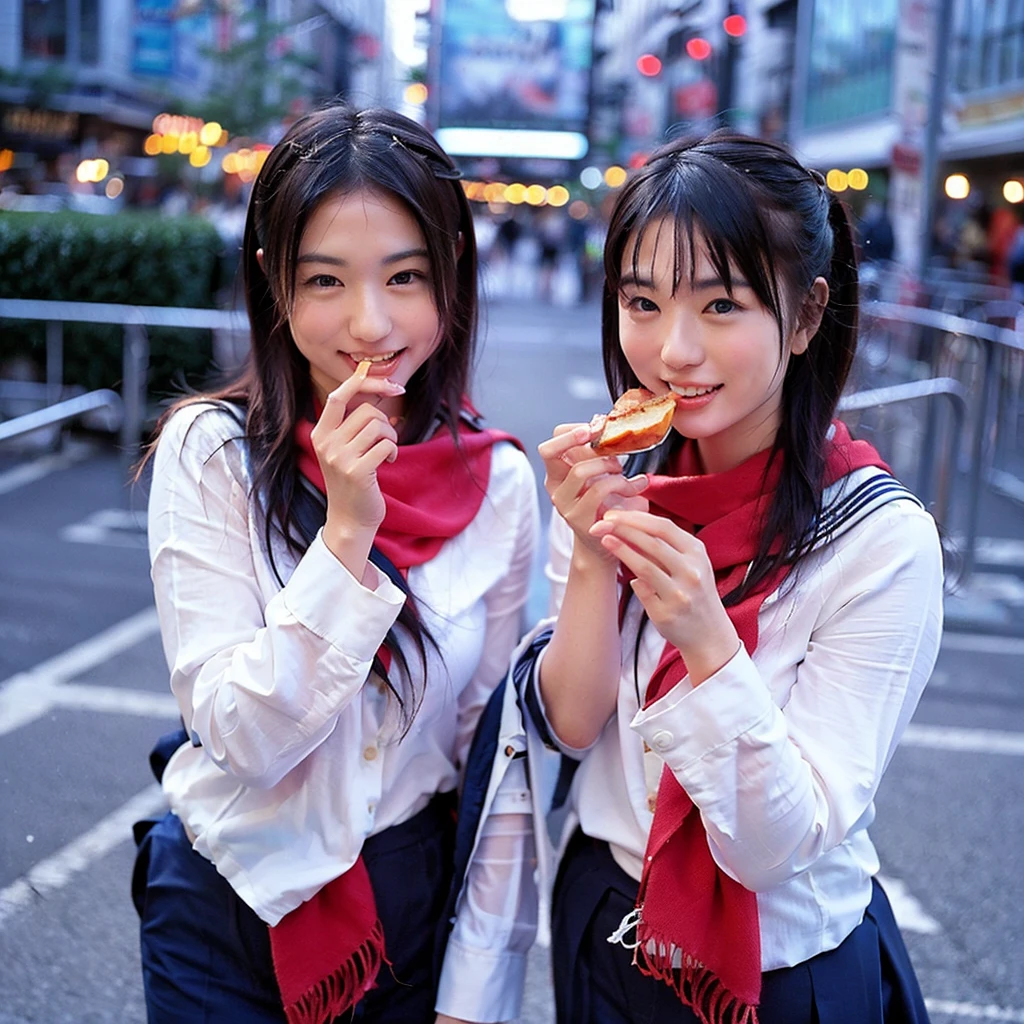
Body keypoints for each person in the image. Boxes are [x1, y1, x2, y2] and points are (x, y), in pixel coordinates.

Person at [130, 102, 540, 1024]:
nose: (369, 323)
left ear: (453, 280)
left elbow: (492, 755)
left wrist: (478, 992)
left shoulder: (500, 480)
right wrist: (347, 536)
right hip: (230, 901)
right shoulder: (212, 453)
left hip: (408, 902)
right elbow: (237, 733)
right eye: (326, 281)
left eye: (405, 277)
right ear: (276, 284)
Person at [524, 130, 944, 1023]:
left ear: (802, 316)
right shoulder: (618, 487)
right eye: (643, 302)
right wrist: (594, 557)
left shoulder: (880, 540)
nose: (673, 350)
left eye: (720, 306)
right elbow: (572, 723)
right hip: (605, 921)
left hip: (787, 964)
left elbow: (772, 846)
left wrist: (710, 647)